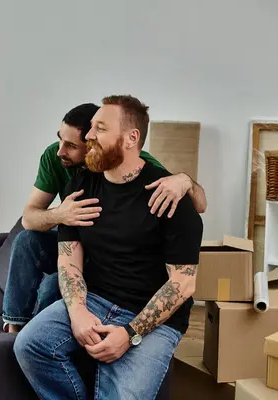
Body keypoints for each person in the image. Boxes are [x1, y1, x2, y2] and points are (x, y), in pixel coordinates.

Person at [13, 95, 204, 399]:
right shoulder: (81, 185)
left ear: (131, 138)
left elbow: (182, 283)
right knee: (30, 345)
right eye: (91, 129)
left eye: (99, 129)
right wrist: (78, 312)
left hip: (151, 316)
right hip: (97, 298)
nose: (89, 137)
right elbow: (69, 258)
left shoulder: (169, 196)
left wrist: (130, 334)